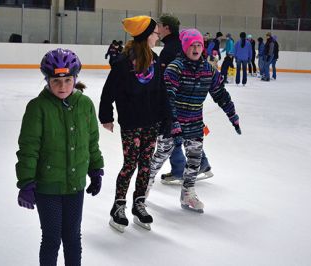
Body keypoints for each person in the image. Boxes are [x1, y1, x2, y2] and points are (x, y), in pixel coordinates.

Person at [15, 48, 104, 266]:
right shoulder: (38, 108)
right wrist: (26, 182)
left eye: (67, 80)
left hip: (75, 186)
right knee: (52, 239)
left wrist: (96, 169)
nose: (62, 86)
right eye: (56, 80)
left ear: (75, 79)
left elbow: (92, 141)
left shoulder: (85, 105)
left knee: (73, 238)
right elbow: (28, 147)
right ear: (47, 80)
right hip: (48, 188)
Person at [149, 28, 241, 213]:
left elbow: (220, 94)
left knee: (194, 161)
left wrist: (233, 116)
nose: (196, 48)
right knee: (160, 156)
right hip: (171, 123)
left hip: (194, 123)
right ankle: (144, 187)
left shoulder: (209, 70)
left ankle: (188, 193)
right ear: (185, 47)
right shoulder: (175, 68)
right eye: (192, 45)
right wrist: (173, 123)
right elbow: (168, 98)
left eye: (199, 44)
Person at [99, 16, 168, 232]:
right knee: (130, 164)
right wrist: (107, 116)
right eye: (155, 33)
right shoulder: (122, 62)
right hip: (131, 122)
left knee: (145, 164)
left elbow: (162, 92)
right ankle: (119, 206)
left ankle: (139, 203)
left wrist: (167, 118)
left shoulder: (155, 61)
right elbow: (108, 92)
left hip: (151, 122)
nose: (158, 36)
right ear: (147, 35)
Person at [154, 13, 213, 186]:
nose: (157, 29)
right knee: (186, 135)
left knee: (171, 135)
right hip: (190, 101)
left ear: (166, 28)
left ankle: (180, 169)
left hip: (177, 102)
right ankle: (202, 163)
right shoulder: (182, 44)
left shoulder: (170, 49)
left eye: (159, 25)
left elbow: (166, 82)